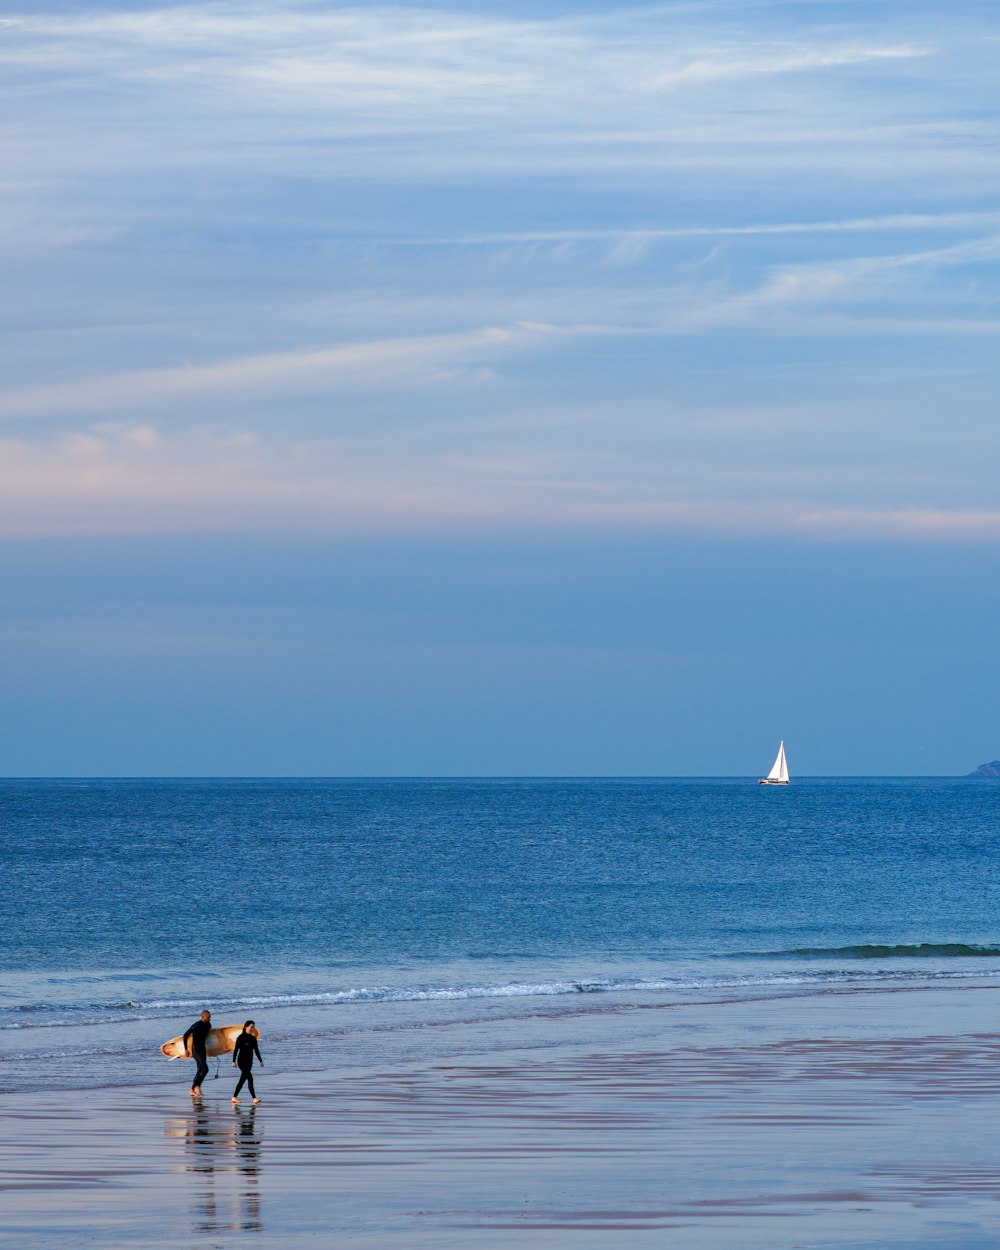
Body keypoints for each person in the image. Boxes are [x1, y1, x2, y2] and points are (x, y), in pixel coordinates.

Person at [231, 1020, 264, 1105]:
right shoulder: (240, 1038)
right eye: (251, 1027)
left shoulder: (253, 1038)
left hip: (250, 1062)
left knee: (243, 1079)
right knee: (249, 1077)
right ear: (246, 1027)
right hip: (241, 1061)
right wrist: (233, 1061)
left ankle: (234, 1097)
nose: (252, 1029)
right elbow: (236, 1050)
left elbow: (256, 1050)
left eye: (253, 1027)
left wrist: (260, 1060)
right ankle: (254, 1098)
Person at [183, 1009, 213, 1097]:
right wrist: (186, 1049)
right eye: (208, 1017)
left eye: (210, 1017)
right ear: (202, 1017)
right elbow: (185, 1035)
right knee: (205, 1068)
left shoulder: (208, 1025)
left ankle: (196, 1088)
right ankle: (194, 1088)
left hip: (203, 1049)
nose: (209, 1019)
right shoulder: (196, 1025)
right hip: (196, 1050)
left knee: (200, 1069)